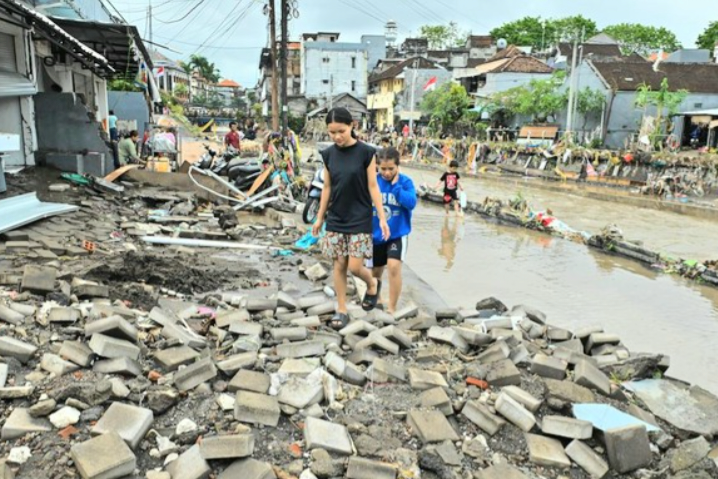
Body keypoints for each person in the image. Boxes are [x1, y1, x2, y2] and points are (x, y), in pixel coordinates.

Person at [312, 107, 390, 329]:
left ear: (352, 126)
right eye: (332, 132)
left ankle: (372, 283)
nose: (337, 136)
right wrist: (319, 217)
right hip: (336, 217)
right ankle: (342, 309)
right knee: (339, 265)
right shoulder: (328, 154)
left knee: (355, 267)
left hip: (360, 216)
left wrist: (382, 218)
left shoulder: (366, 153)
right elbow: (327, 187)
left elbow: (373, 186)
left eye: (341, 131)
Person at [370, 147, 416, 314]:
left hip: (397, 233)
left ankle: (392, 308)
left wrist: (396, 187)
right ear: (377, 166)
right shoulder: (373, 182)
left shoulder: (406, 182)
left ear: (398, 166)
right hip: (376, 234)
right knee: (376, 270)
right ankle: (377, 299)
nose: (387, 173)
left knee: (394, 267)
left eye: (391, 168)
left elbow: (411, 203)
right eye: (383, 169)